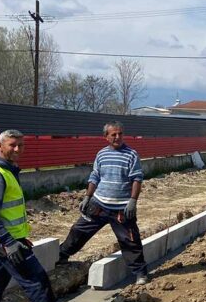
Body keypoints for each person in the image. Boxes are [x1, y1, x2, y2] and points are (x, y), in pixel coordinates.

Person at [0, 130, 84, 302]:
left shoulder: (7, 170)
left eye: (21, 145)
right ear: (0, 146)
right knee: (36, 279)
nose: (17, 149)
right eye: (12, 145)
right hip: (5, 241)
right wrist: (9, 242)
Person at [57, 121, 149, 285]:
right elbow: (95, 176)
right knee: (79, 230)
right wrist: (87, 196)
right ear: (106, 137)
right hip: (99, 205)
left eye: (120, 133)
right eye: (113, 134)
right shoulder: (101, 154)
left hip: (122, 208)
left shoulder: (131, 154)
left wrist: (133, 201)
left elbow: (137, 178)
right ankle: (61, 255)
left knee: (130, 240)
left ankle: (140, 273)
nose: (117, 137)